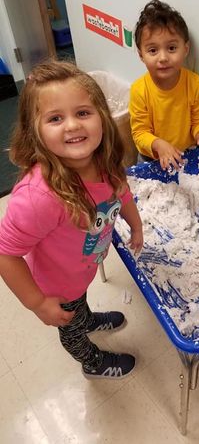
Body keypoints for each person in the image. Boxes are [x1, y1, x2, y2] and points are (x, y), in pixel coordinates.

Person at [0, 60, 143, 380]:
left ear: (102, 118)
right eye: (55, 118)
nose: (73, 125)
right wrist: (37, 303)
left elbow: (123, 193)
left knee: (80, 304)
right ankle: (91, 361)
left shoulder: (104, 161)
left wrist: (136, 224)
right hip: (56, 287)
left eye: (82, 113)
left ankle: (88, 317)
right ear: (34, 130)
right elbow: (5, 253)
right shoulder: (39, 197)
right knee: (71, 328)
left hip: (81, 270)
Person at [129, 0, 199, 170]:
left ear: (185, 49)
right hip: (151, 158)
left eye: (171, 48)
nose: (163, 58)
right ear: (141, 55)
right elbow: (139, 133)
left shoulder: (193, 83)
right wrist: (159, 145)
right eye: (153, 50)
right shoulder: (139, 90)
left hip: (186, 156)